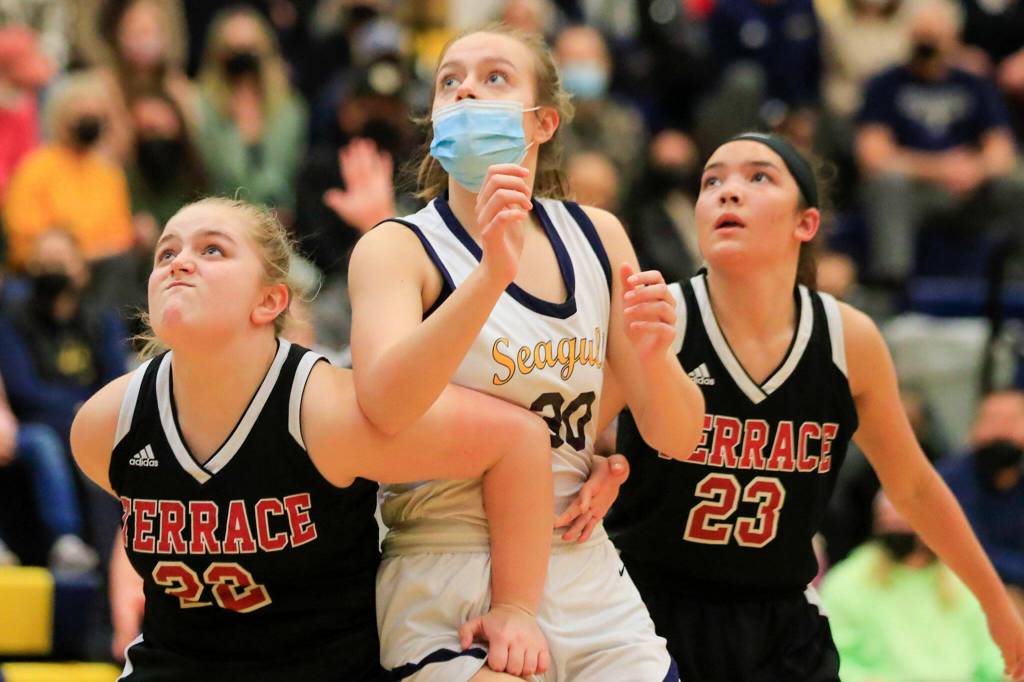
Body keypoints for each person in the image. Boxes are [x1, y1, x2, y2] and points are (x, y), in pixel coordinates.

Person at [346, 22, 705, 681]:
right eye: (449, 81)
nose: (467, 92)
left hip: (581, 559)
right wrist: (489, 278)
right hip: (445, 561)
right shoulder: (396, 249)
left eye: (494, 78)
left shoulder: (599, 236)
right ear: (432, 119)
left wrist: (656, 358)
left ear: (541, 123)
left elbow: (678, 437)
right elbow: (384, 404)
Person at [69, 197, 556, 681]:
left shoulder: (324, 412)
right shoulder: (105, 425)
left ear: (270, 301)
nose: (180, 264)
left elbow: (518, 439)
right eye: (166, 254)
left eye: (213, 250)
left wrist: (515, 608)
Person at [605, 131, 1024, 681]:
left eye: (758, 177)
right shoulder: (659, 319)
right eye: (712, 181)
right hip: (645, 614)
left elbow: (914, 486)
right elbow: (572, 439)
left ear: (806, 223)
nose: (729, 192)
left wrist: (998, 611)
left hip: (780, 626)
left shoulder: (849, 340)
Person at [821, 493, 1004, 682]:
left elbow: (991, 657)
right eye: (887, 520)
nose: (895, 526)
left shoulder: (961, 580)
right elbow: (834, 659)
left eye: (903, 521)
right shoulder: (848, 582)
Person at [941, 389, 1024, 590]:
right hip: (968, 590)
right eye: (991, 420)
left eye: (1011, 421)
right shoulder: (949, 480)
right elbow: (969, 553)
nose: (1000, 431)